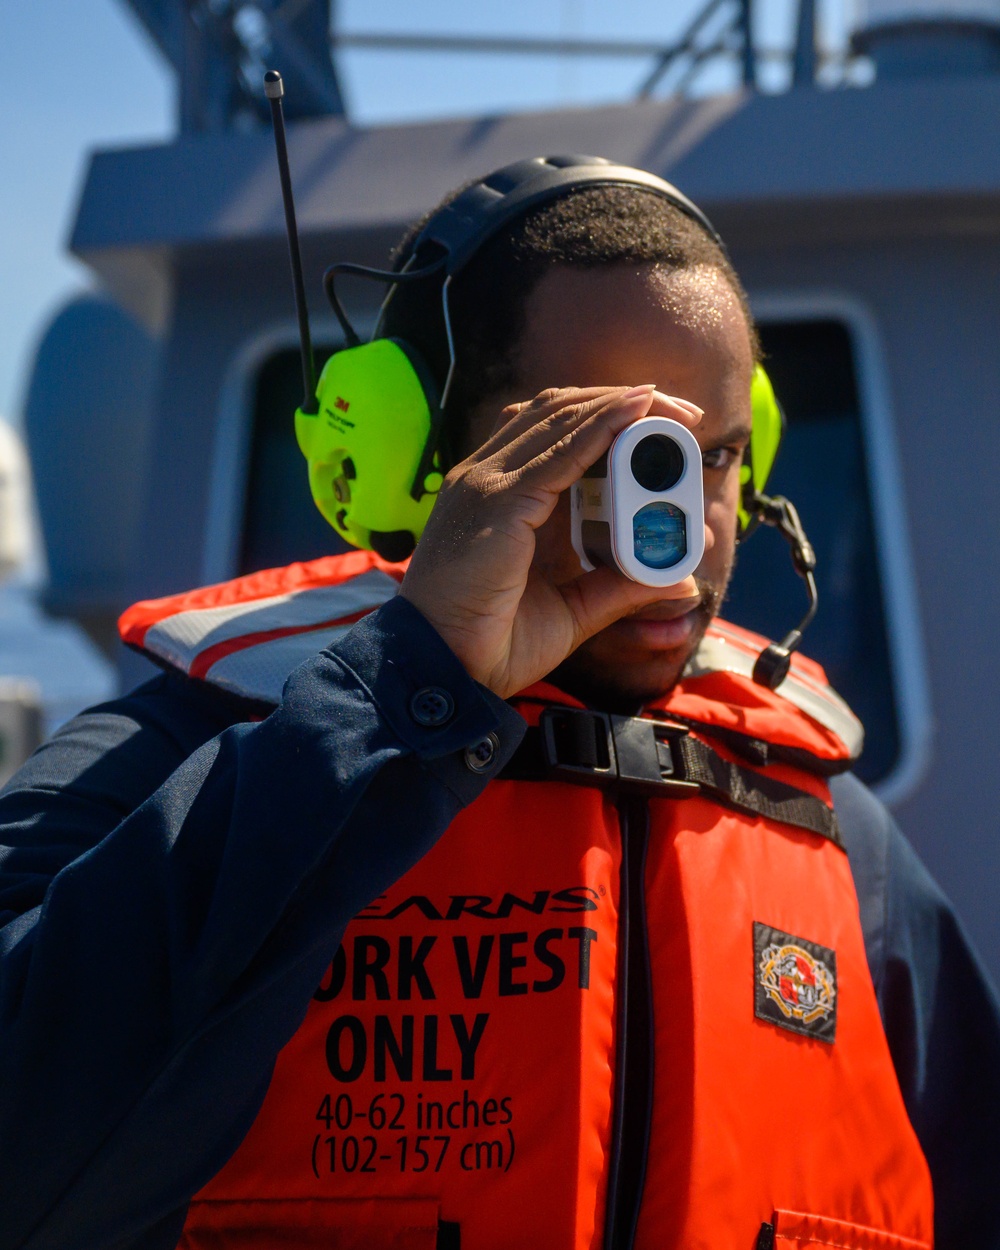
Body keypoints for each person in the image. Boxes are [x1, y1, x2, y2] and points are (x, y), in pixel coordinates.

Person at [1, 157, 999, 1250]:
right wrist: (407, 686)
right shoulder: (184, 746)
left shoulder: (835, 836)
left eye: (705, 458)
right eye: (583, 454)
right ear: (421, 458)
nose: (662, 533)